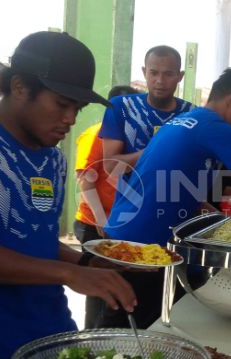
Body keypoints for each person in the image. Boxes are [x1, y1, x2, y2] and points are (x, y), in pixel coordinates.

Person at [101, 68, 231, 329]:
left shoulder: (184, 120)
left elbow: (174, 185)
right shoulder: (215, 127)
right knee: (127, 327)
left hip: (131, 232)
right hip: (143, 243)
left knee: (136, 322)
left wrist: (218, 217)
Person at [0, 32, 135, 358]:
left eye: (77, 108)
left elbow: (34, 237)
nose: (71, 119)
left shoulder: (53, 160)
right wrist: (70, 273)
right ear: (19, 87)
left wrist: (91, 263)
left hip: (55, 332)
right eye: (62, 104)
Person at [74, 84, 138, 330]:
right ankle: (93, 340)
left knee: (113, 289)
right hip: (96, 224)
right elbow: (85, 180)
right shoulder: (95, 135)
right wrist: (102, 220)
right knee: (99, 292)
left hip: (118, 224)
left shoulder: (127, 139)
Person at [99, 45, 193, 176]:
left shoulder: (192, 114)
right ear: (144, 72)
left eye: (168, 74)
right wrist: (154, 152)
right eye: (154, 73)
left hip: (179, 195)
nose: (160, 81)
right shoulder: (122, 107)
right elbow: (110, 167)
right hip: (133, 196)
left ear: (180, 76)